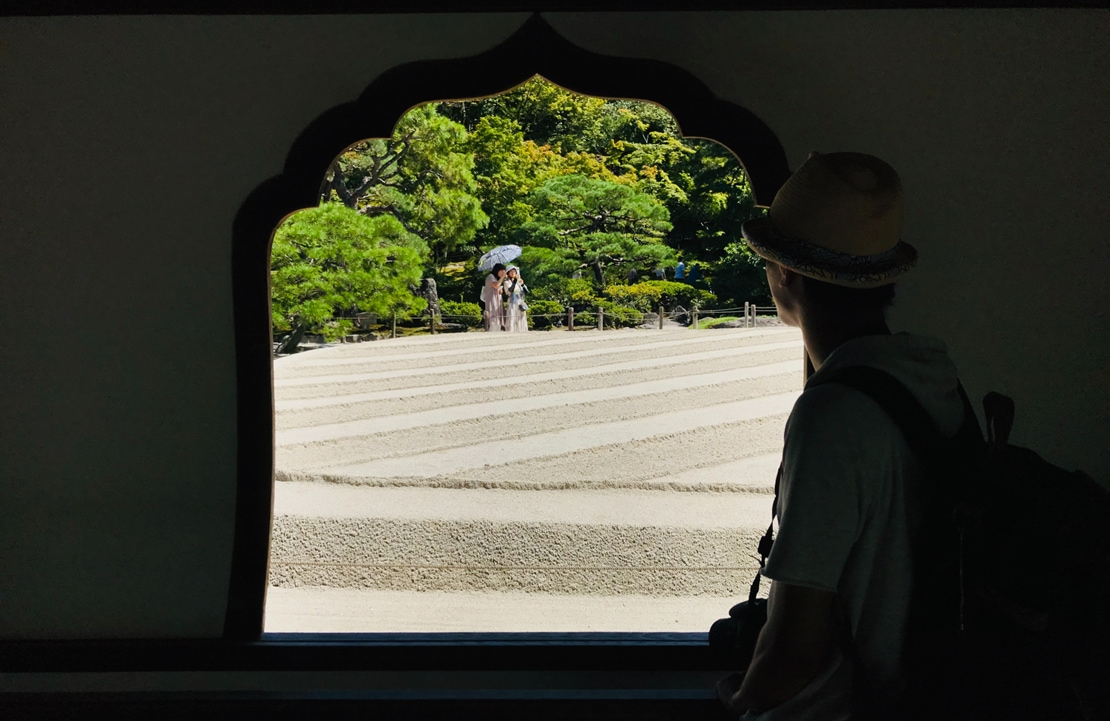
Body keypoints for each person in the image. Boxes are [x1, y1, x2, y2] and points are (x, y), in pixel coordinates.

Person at [715, 152, 968, 720]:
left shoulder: (833, 417)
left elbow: (795, 646)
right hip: (939, 686)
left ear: (786, 273)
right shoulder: (929, 372)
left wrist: (741, 702)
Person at [480, 263, 507, 331]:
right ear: (497, 270)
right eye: (501, 271)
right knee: (493, 316)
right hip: (492, 300)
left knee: (498, 317)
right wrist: (502, 277)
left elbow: (497, 287)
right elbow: (496, 285)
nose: (502, 273)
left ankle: (497, 330)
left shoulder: (496, 278)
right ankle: (491, 330)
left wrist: (500, 291)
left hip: (497, 300)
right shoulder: (491, 276)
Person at [503, 265, 529, 332]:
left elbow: (527, 292)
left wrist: (522, 284)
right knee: (512, 316)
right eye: (511, 271)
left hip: (520, 302)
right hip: (512, 303)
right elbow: (510, 290)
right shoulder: (506, 282)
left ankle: (521, 330)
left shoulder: (519, 282)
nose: (513, 273)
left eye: (514, 271)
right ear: (508, 273)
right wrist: (515, 281)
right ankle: (512, 331)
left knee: (521, 317)